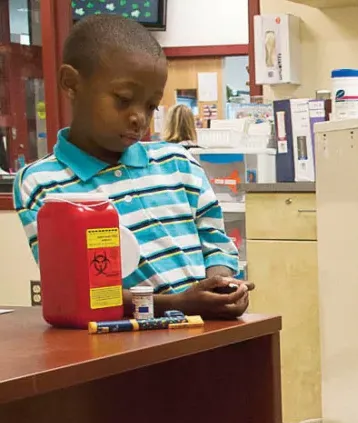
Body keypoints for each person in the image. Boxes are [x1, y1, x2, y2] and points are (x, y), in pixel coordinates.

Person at [13, 14, 252, 320]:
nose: (139, 117)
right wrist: (178, 303)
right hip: (120, 353)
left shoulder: (178, 164)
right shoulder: (42, 183)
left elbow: (215, 244)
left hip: (201, 342)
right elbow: (76, 292)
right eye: (124, 100)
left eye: (151, 106)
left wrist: (221, 287)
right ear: (71, 84)